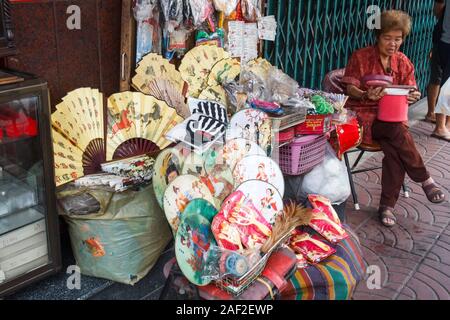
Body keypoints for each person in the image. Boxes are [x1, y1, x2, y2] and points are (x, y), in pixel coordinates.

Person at [342, 10, 446, 228]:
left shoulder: (403, 61)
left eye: (397, 39)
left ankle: (386, 207)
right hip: (364, 119)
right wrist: (364, 94)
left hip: (392, 119)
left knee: (394, 150)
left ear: (403, 39)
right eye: (387, 38)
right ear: (378, 36)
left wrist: (413, 96)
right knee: (398, 133)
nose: (392, 44)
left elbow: (411, 89)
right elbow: (349, 87)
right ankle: (424, 179)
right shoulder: (361, 56)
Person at [425, 1, 446, 124]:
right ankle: (432, 113)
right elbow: (437, 10)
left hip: (442, 40)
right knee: (437, 78)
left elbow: (437, 11)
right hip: (442, 40)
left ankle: (433, 112)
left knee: (437, 78)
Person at [432, 0, 450, 140]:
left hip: (444, 41)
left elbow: (438, 10)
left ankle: (445, 125)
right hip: (446, 42)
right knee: (447, 86)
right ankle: (440, 127)